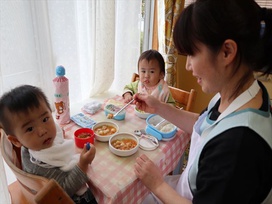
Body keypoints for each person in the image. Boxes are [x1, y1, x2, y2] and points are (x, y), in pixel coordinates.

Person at [133, 0, 272, 203]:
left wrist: (157, 184)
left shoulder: (239, 146)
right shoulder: (242, 92)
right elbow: (203, 125)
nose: (188, 65)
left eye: (192, 54)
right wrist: (159, 107)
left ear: (227, 52)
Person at [0, 85, 97, 204]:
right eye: (30, 129)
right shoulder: (40, 166)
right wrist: (83, 164)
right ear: (16, 141)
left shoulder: (30, 145)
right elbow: (65, 190)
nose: (43, 131)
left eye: (45, 119)